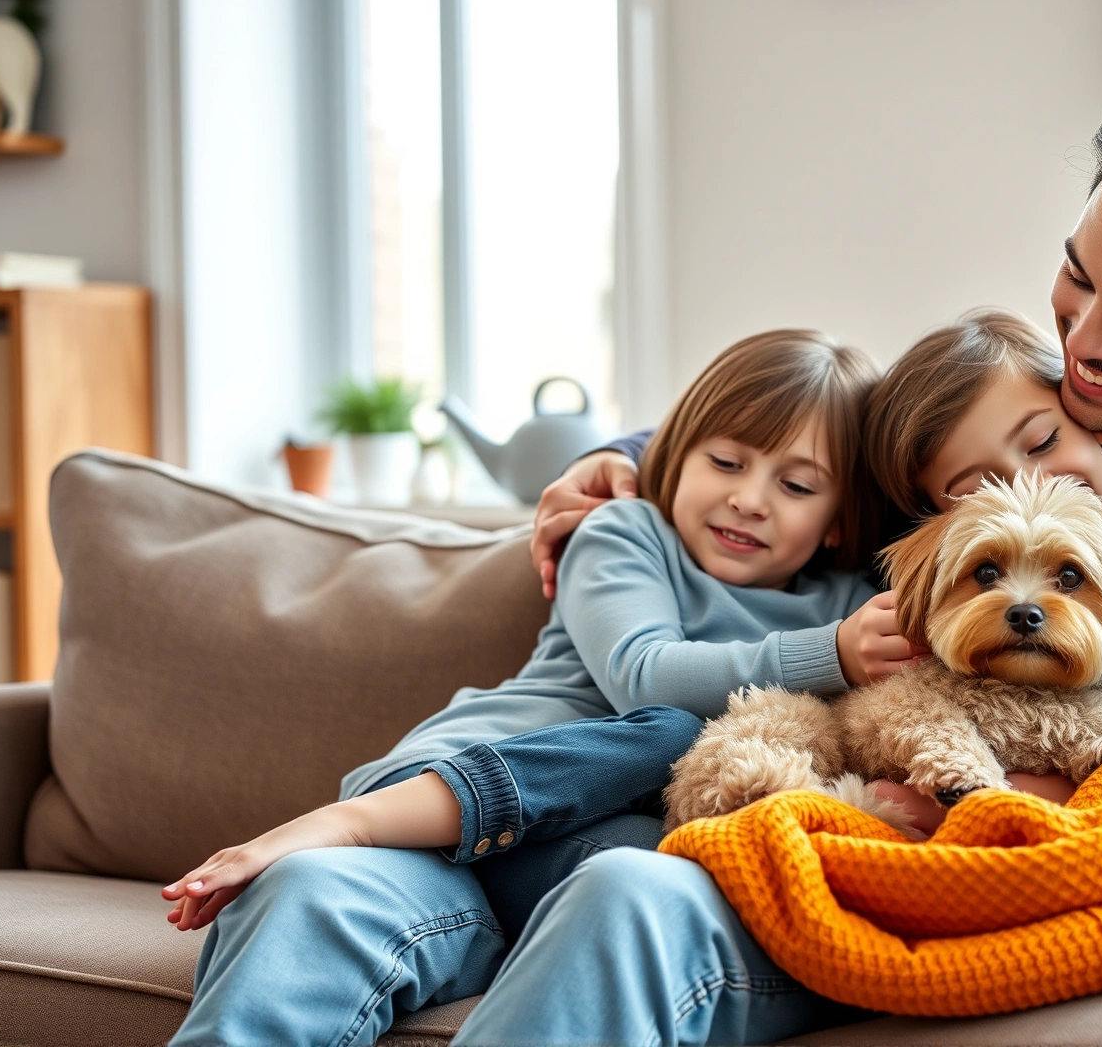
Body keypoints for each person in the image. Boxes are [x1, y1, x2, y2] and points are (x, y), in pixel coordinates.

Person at [493, 52, 1102, 1045]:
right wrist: (622, 460)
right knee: (620, 884)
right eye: (1076, 277)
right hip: (837, 822)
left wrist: (996, 801)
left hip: (1029, 882)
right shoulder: (1018, 414)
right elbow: (818, 435)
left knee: (631, 901)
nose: (1082, 340)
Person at [163, 329, 911, 1047]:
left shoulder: (857, 602)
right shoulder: (627, 532)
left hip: (589, 852)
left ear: (841, 519)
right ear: (675, 456)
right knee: (311, 899)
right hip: (441, 808)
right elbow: (642, 675)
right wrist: (833, 655)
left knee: (633, 878)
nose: (750, 498)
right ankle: (343, 830)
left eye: (796, 484)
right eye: (724, 461)